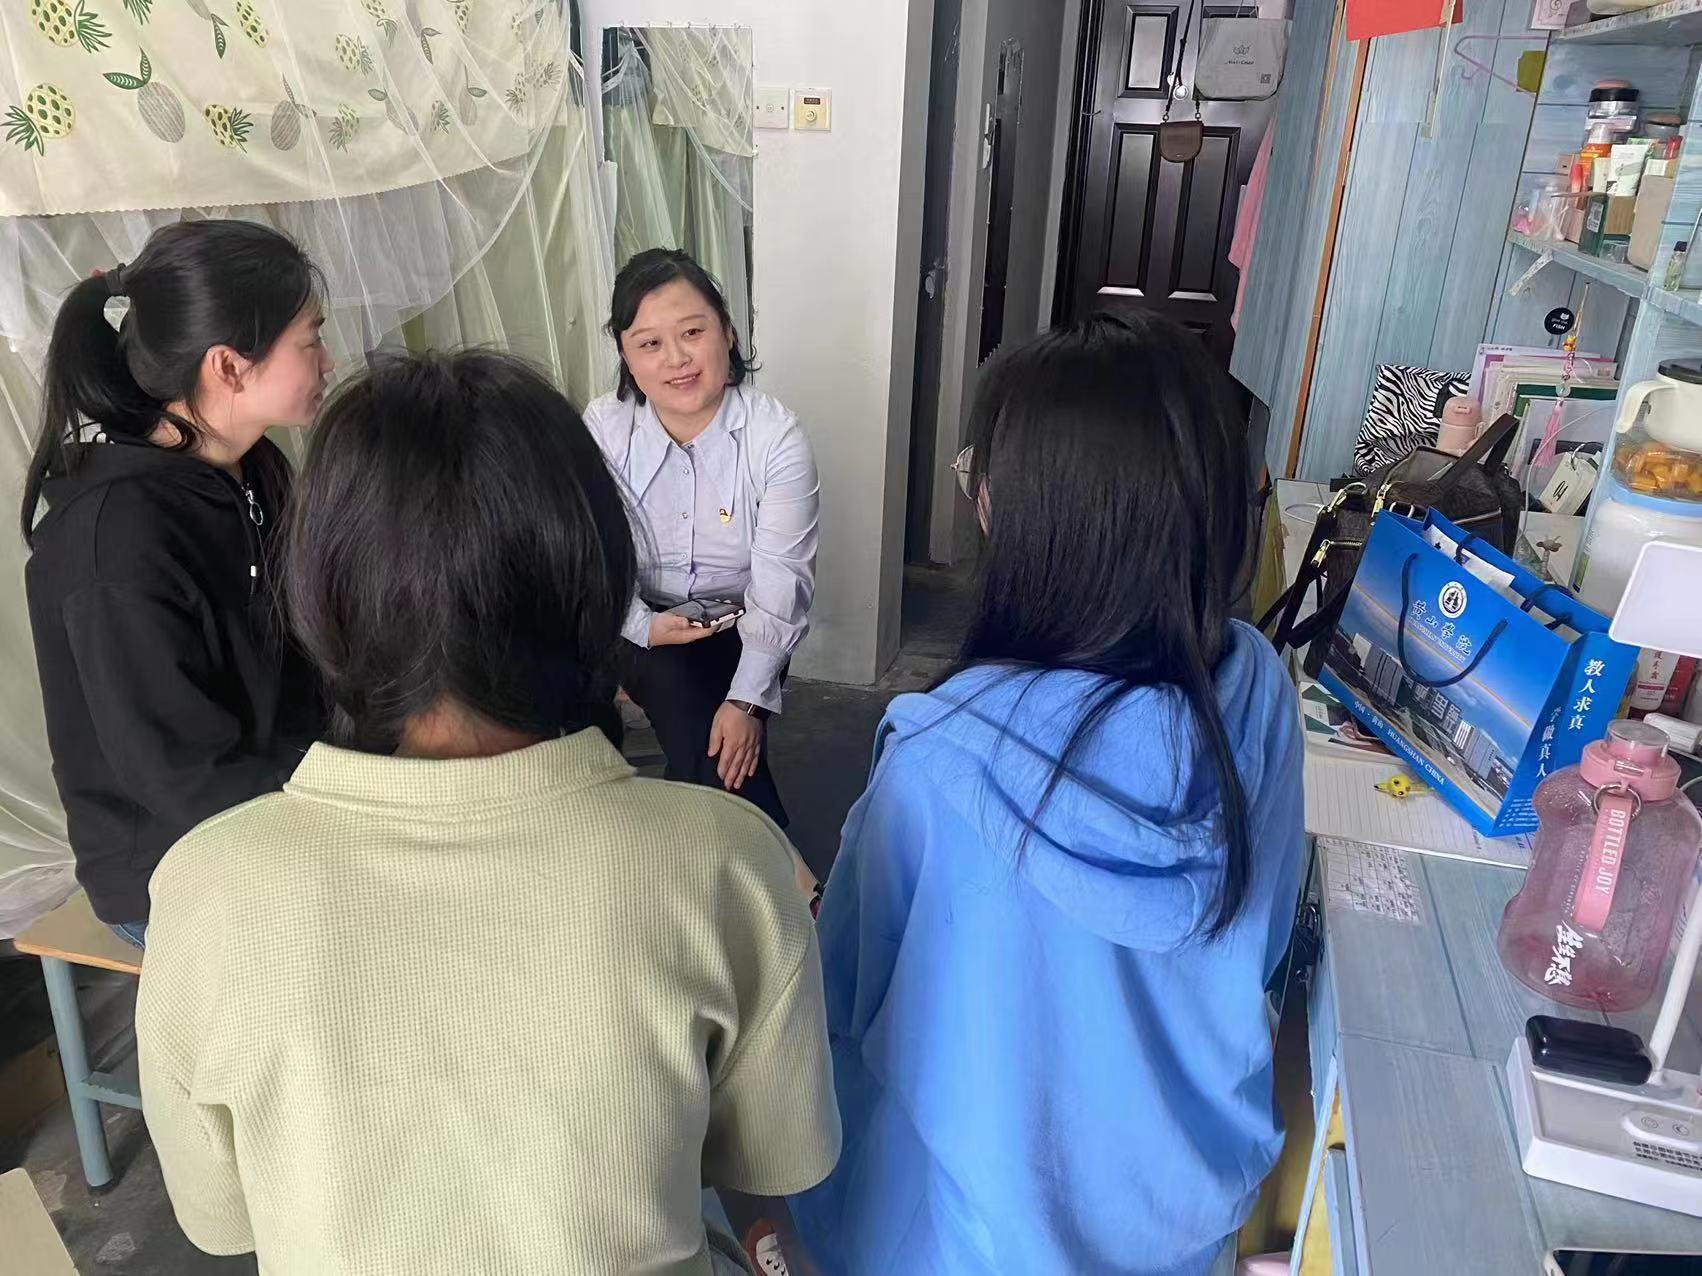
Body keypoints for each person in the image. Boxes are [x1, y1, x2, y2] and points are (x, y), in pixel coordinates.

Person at [135, 351, 840, 1275]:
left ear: (323, 592)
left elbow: (222, 1219)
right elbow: (778, 1155)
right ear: (593, 575)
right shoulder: (728, 860)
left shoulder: (204, 886)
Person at [790, 314, 1307, 1276]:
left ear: (1024, 517)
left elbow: (842, 999)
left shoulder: (939, 753)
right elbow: (1265, 940)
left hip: (968, 1238)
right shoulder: (1257, 689)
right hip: (1180, 1227)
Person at [21, 220, 331, 947]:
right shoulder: (117, 541)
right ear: (229, 366)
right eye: (310, 341)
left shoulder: (255, 469)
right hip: (176, 868)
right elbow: (185, 780)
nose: (329, 361)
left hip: (281, 803)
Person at [586, 248, 819, 828]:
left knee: (705, 707)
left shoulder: (775, 438)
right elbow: (587, 560)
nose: (676, 359)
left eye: (693, 332)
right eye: (649, 343)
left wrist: (745, 701)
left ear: (728, 333)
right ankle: (779, 862)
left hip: (740, 626)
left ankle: (715, 844)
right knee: (684, 692)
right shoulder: (603, 429)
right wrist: (643, 625)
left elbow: (781, 584)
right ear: (625, 355)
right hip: (631, 619)